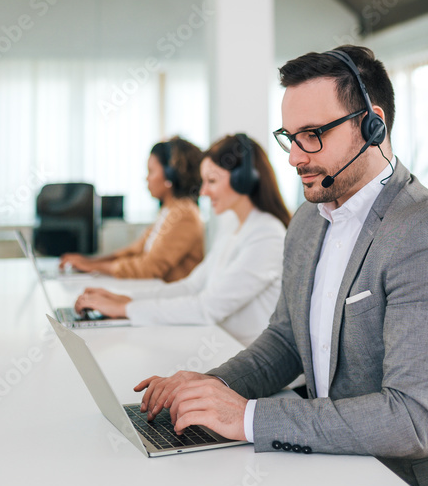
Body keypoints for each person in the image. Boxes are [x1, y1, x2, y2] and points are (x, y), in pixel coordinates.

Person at [134, 47, 428, 486]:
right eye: (290, 137)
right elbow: (286, 339)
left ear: (373, 125)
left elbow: (413, 420)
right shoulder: (310, 219)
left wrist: (248, 417)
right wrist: (212, 388)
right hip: (346, 466)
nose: (295, 157)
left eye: (314, 134)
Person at [73, 133, 290, 346]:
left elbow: (208, 307)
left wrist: (125, 310)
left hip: (242, 358)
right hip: (219, 344)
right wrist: (125, 299)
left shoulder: (266, 235)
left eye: (212, 181)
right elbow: (191, 286)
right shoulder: (234, 225)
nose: (203, 192)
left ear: (243, 180)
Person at [59, 136, 204, 281]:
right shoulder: (168, 211)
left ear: (169, 175)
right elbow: (135, 251)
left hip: (173, 297)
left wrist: (93, 267)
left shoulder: (184, 214)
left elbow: (149, 268)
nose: (147, 178)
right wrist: (88, 262)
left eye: (151, 171)